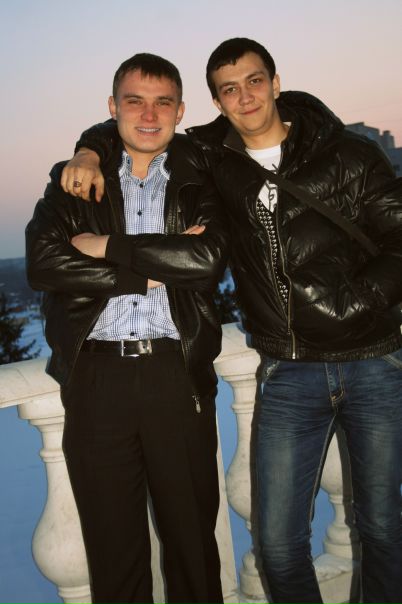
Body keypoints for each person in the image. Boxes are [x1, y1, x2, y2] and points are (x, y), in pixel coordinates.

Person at [60, 38, 402, 604]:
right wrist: (89, 152)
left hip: (373, 359)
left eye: (254, 81)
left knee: (384, 529)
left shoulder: (348, 153)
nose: (245, 97)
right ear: (216, 101)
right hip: (288, 369)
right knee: (278, 547)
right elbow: (139, 123)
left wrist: (359, 299)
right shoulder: (213, 157)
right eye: (229, 88)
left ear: (275, 82)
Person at [26, 52, 230, 604]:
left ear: (181, 111)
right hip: (96, 382)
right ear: (112, 107)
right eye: (134, 101)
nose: (149, 114)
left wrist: (107, 247)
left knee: (193, 551)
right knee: (114, 558)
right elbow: (45, 263)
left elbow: (206, 259)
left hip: (177, 376)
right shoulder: (75, 182)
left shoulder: (198, 178)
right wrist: (151, 273)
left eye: (163, 102)